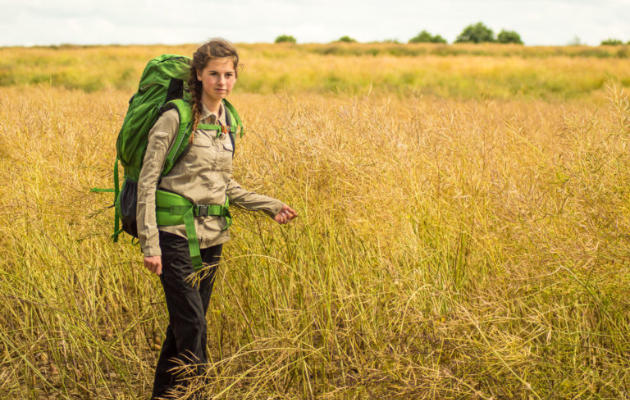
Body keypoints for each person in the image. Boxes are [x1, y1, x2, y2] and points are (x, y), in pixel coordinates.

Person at [136, 38, 297, 399]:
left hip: (213, 238)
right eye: (214, 74)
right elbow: (147, 183)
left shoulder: (228, 121)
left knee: (182, 329)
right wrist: (151, 245)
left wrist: (269, 205)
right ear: (199, 75)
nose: (221, 81)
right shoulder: (174, 118)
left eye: (228, 74)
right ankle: (201, 394)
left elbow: (224, 185)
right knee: (193, 326)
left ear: (236, 77)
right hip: (174, 237)